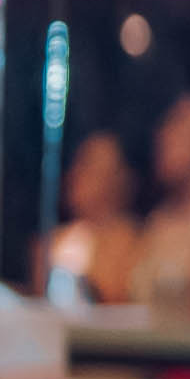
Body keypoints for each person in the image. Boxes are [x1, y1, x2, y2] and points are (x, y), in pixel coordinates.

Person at [42, 130, 144, 307]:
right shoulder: (55, 241)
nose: (75, 174)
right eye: (77, 163)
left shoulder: (136, 245)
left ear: (121, 179)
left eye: (88, 165)